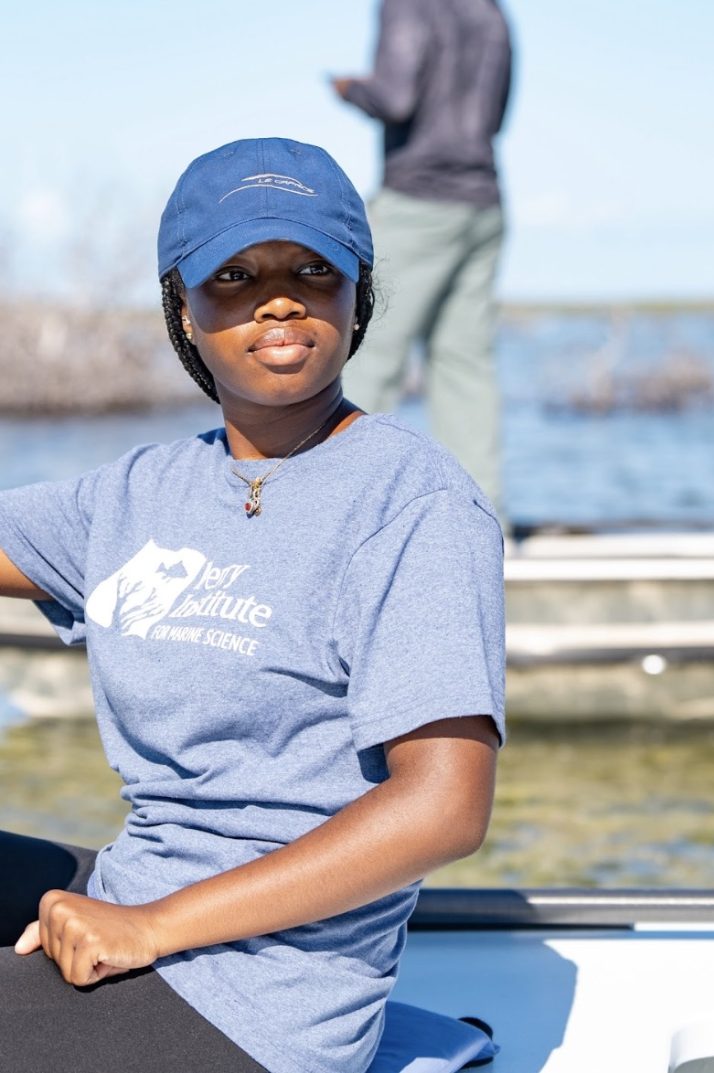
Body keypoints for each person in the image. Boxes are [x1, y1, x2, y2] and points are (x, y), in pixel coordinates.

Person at [0, 138, 506, 1073]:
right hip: (137, 887)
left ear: (360, 294)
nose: (279, 299)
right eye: (234, 275)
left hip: (265, 991)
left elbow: (445, 807)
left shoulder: (413, 504)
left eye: (313, 269)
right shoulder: (143, 490)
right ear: (184, 312)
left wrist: (152, 926)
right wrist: (135, 909)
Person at [332, 0, 514, 527]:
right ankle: (482, 525)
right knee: (466, 368)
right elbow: (496, 117)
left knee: (365, 353)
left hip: (417, 201)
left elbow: (394, 95)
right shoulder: (493, 13)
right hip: (484, 202)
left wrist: (348, 89)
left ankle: (345, 517)